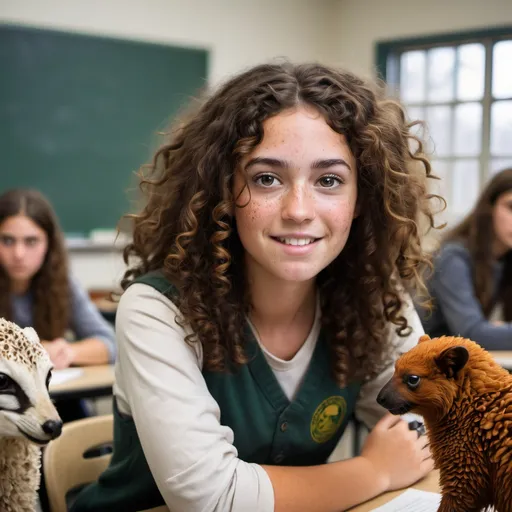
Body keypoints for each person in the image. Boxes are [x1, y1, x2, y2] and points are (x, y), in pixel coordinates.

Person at [72, 62, 438, 512]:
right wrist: (374, 471)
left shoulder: (373, 301)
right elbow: (211, 498)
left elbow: (438, 425)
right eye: (267, 178)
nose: (299, 210)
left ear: (362, 197)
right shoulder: (156, 310)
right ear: (223, 190)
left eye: (329, 180)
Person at [0, 188, 117, 420]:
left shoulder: (62, 284)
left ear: (49, 244)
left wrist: (68, 352)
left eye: (31, 241)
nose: (19, 253)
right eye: (7, 240)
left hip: (52, 402)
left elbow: (110, 344)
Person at [418, 168, 512, 350]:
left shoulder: (505, 259)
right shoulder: (453, 257)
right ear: (489, 208)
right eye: (511, 207)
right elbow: (472, 333)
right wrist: (489, 332)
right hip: (421, 365)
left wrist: (495, 332)